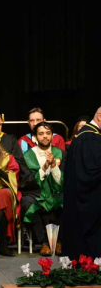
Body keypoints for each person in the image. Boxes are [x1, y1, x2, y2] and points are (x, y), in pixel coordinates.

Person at [20, 122, 65, 256]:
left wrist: (54, 166)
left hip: (56, 192)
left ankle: (60, 241)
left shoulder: (61, 154)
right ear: (35, 137)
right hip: (36, 193)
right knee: (27, 203)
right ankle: (43, 243)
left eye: (48, 133)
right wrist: (44, 168)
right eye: (41, 134)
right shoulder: (27, 156)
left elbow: (65, 180)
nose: (45, 136)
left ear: (52, 136)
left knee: (67, 201)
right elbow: (25, 181)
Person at [62, 107, 101, 259]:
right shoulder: (90, 137)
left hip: (78, 193)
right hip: (88, 196)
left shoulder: (85, 135)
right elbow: (93, 170)